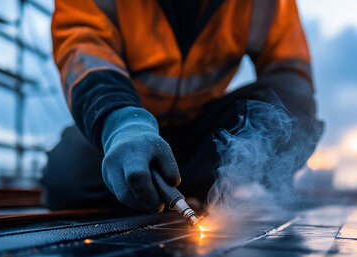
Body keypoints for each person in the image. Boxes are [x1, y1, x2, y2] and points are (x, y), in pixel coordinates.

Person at [42, 0, 323, 211]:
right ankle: (183, 186)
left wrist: (246, 166)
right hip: (129, 129)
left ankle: (180, 186)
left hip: (206, 135)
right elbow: (85, 49)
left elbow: (290, 73)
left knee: (295, 108)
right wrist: (119, 123)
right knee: (69, 176)